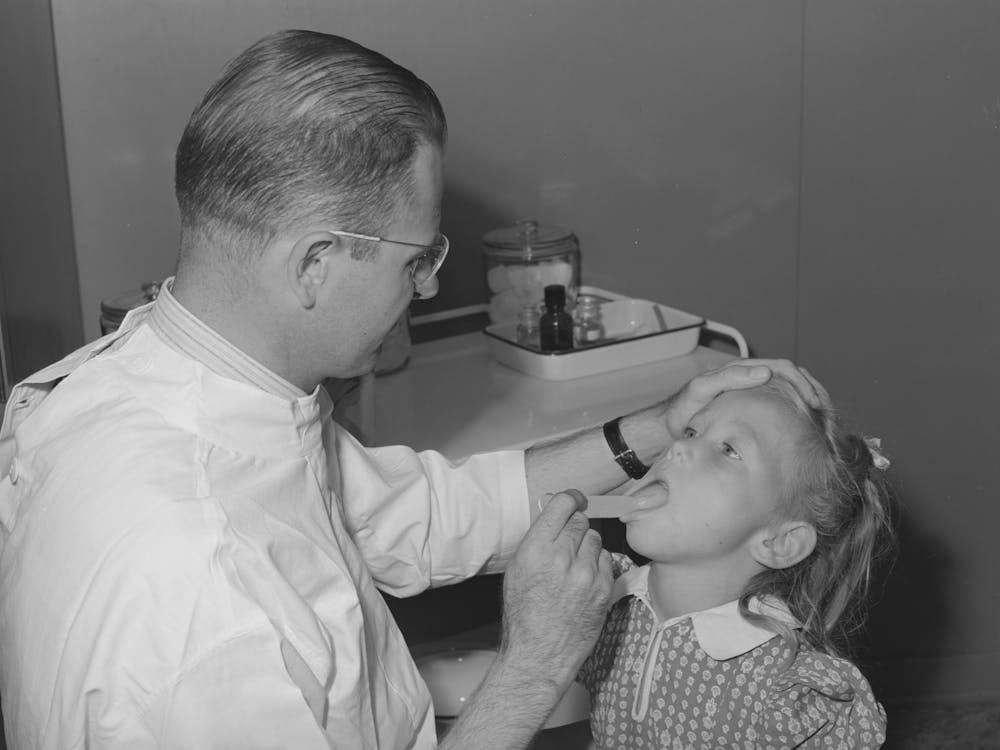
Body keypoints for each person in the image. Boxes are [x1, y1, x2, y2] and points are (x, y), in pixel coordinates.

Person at [0, 29, 825, 750]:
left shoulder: (172, 379)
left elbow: (416, 517)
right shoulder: (201, 598)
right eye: (414, 258)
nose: (427, 287)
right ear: (315, 263)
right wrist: (533, 668)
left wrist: (654, 426)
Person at [578, 374, 895, 748]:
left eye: (729, 449)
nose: (678, 447)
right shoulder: (602, 598)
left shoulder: (784, 690)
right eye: (692, 432)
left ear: (780, 541)